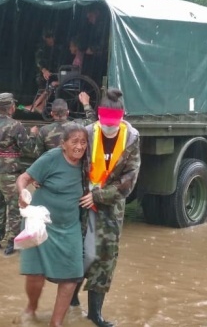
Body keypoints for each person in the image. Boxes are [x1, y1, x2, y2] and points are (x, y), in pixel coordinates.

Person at [76, 88, 141, 327]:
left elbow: (128, 181)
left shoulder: (132, 138)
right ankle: (71, 298)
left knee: (104, 257)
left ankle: (94, 314)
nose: (109, 126)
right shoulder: (88, 132)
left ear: (122, 115)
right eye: (105, 121)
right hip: (81, 203)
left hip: (110, 207)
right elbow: (71, 160)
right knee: (79, 253)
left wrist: (98, 196)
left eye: (113, 121)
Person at [16, 124, 90, 327]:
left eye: (83, 142)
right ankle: (31, 308)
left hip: (69, 226)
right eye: (74, 141)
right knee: (35, 274)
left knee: (72, 275)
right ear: (63, 144)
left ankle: (55, 323)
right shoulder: (51, 158)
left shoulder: (88, 161)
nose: (79, 146)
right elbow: (24, 178)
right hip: (41, 224)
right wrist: (23, 192)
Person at [0, 93, 38, 254]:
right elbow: (28, 149)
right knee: (14, 207)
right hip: (10, 173)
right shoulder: (16, 126)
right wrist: (33, 134)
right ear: (12, 107)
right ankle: (12, 243)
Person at [77, 6, 108, 86]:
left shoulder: (104, 27)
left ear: (97, 13)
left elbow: (103, 44)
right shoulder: (89, 27)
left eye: (91, 15)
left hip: (99, 60)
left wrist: (93, 49)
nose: (88, 18)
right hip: (91, 59)